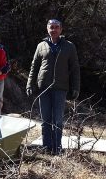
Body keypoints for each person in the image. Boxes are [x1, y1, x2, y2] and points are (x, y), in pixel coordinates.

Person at [26, 19, 80, 155]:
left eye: (56, 27)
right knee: (45, 120)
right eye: (51, 27)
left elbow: (75, 69)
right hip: (43, 87)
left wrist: (76, 87)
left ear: (61, 30)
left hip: (60, 88)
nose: (54, 29)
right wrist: (29, 84)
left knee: (57, 120)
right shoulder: (41, 46)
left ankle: (57, 147)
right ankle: (46, 147)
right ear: (47, 29)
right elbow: (34, 66)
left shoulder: (69, 46)